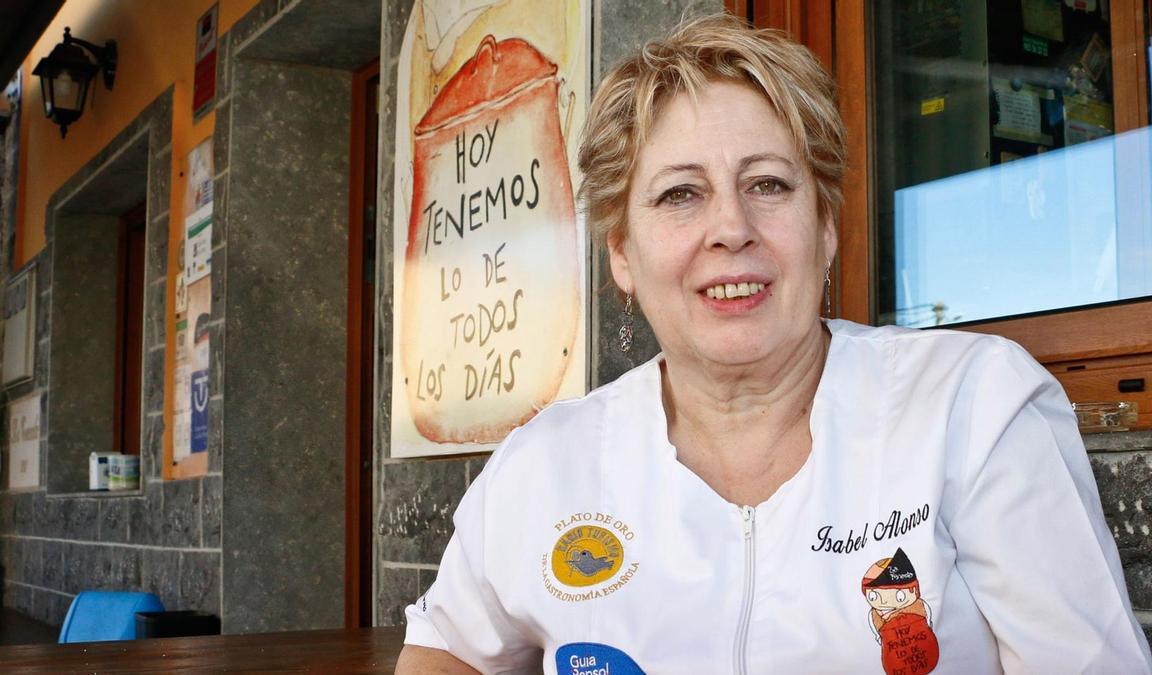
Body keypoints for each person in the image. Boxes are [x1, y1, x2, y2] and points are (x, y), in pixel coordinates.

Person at [396, 13, 1152, 674]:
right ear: (621, 251)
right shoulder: (545, 462)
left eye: (767, 184)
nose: (731, 227)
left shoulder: (973, 405)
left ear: (825, 228)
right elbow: (447, 647)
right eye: (680, 194)